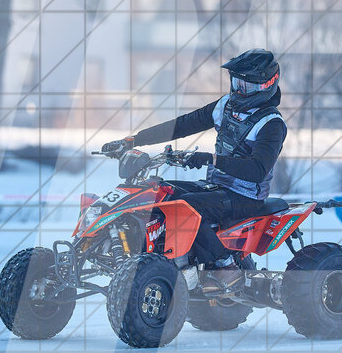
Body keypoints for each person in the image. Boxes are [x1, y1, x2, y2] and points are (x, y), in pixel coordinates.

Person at [101, 48, 287, 279]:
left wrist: (211, 159)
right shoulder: (225, 105)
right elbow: (182, 125)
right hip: (218, 187)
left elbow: (258, 170)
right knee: (159, 192)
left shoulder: (271, 124)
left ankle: (225, 264)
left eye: (246, 86)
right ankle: (163, 260)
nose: (240, 90)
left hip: (245, 197)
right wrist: (134, 140)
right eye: (237, 83)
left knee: (186, 207)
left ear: (267, 85)